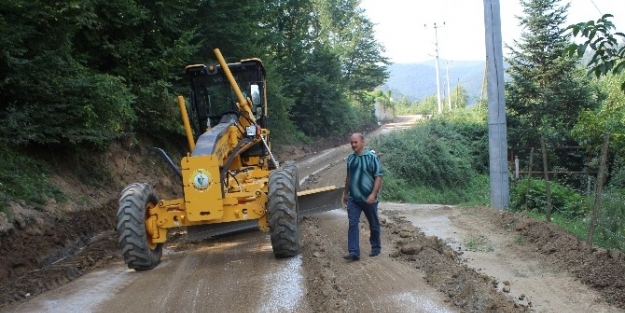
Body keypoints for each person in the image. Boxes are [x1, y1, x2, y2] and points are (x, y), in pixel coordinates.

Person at [342, 133, 383, 261]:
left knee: (374, 224)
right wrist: (345, 193)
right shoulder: (350, 159)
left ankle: (376, 247)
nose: (353, 145)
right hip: (354, 199)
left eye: (356, 142)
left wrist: (373, 194)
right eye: (352, 143)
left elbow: (378, 176)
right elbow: (349, 177)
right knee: (353, 224)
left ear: (362, 142)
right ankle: (354, 252)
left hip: (369, 199)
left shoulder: (371, 158)